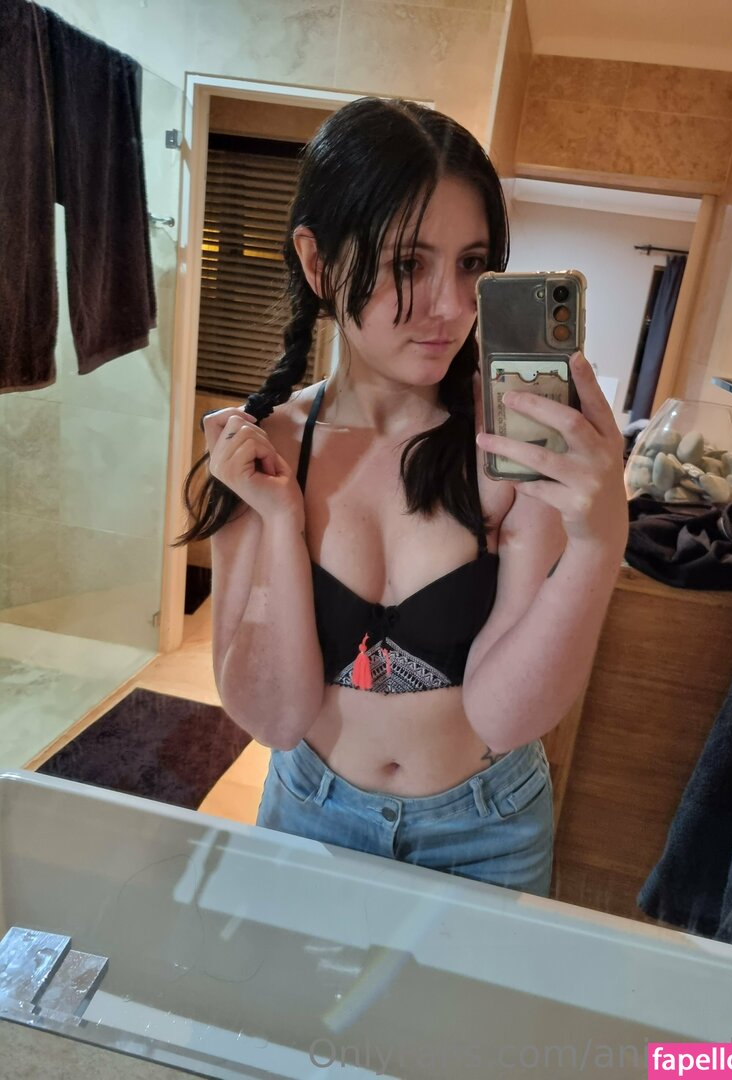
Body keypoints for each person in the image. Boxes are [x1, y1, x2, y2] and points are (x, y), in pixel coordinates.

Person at [179, 96, 628, 898]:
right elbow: (273, 717)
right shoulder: (266, 451)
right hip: (312, 812)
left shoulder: (512, 447)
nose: (453, 306)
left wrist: (600, 542)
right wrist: (279, 522)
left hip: (489, 830)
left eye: (471, 263)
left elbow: (506, 715)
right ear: (319, 264)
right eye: (409, 265)